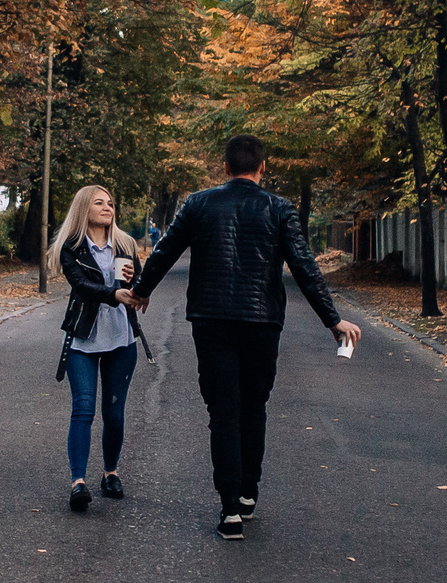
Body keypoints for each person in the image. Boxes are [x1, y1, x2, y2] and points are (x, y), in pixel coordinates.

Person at [129, 134, 361, 541]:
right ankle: (249, 494)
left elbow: (165, 250)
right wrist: (333, 320)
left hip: (211, 319)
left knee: (223, 412)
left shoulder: (198, 203)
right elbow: (304, 266)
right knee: (254, 406)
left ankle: (230, 509)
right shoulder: (279, 208)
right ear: (263, 167)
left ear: (224, 168)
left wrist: (142, 289)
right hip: (262, 321)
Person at [48, 184, 148, 513]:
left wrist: (135, 284)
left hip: (121, 339)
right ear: (84, 209)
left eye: (110, 203)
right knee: (84, 409)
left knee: (114, 414)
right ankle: (78, 482)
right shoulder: (72, 248)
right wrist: (113, 294)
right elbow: (81, 285)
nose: (108, 208)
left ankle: (110, 473)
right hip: (84, 341)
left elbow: (138, 285)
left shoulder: (124, 244)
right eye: (99, 203)